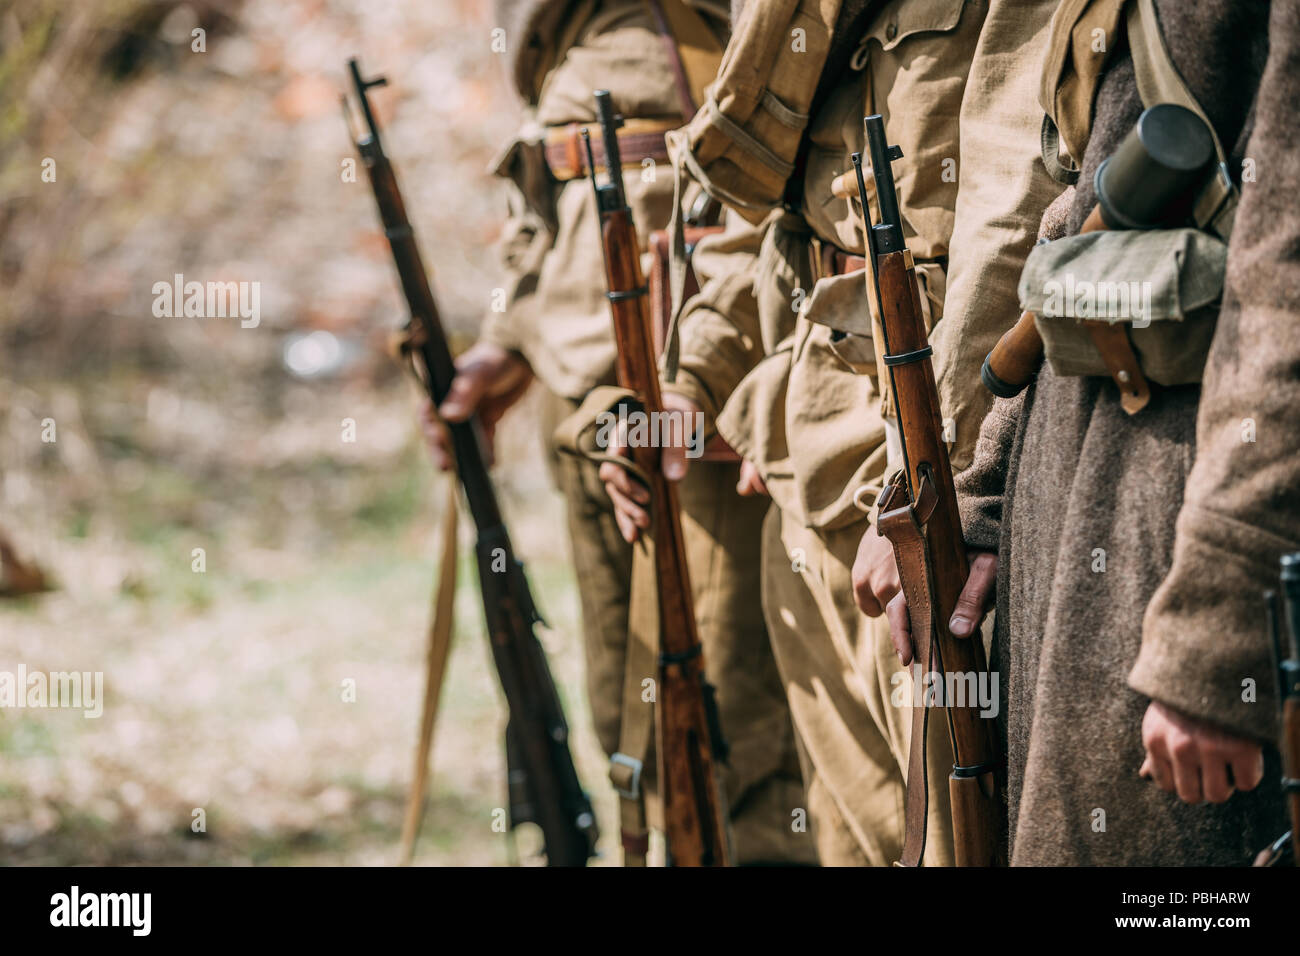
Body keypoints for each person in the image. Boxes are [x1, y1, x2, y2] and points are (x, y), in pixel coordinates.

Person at [604, 0, 1063, 864]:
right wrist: (692, 384)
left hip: (926, 446)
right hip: (805, 435)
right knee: (850, 837)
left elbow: (1015, 217)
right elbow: (765, 211)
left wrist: (945, 482)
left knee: (950, 838)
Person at [423, 0, 814, 864]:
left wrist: (701, 380)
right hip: (580, 385)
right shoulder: (569, 28)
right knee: (628, 717)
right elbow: (550, 187)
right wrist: (507, 340)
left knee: (734, 735)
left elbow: (758, 181)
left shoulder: (727, 21)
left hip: (685, 380)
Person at [944, 0, 1295, 864]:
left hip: (1181, 539)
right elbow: (1080, 219)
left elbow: (1285, 287)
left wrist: (1218, 628)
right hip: (1081, 521)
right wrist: (993, 485)